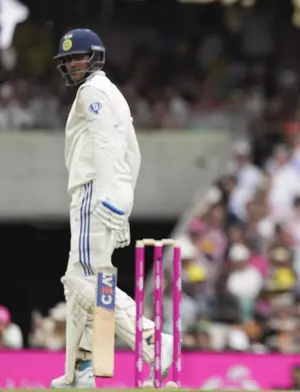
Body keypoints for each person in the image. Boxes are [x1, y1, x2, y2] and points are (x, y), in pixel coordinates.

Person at [49, 29, 174, 389]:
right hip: (107, 192)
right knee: (90, 283)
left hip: (93, 192)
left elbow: (106, 145)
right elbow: (131, 151)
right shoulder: (113, 93)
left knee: (81, 280)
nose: (72, 64)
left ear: (95, 57)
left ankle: (153, 340)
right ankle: (85, 369)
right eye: (68, 59)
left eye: (78, 57)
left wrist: (108, 196)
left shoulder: (93, 92)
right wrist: (124, 196)